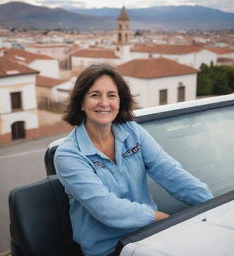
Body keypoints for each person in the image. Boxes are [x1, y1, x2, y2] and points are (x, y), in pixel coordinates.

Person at [54, 63, 213, 256]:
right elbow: (107, 209)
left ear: (120, 101)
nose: (104, 102)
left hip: (150, 236)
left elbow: (170, 172)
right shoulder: (68, 155)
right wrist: (159, 218)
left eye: (111, 95)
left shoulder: (132, 131)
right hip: (111, 249)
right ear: (81, 102)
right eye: (95, 95)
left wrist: (212, 204)